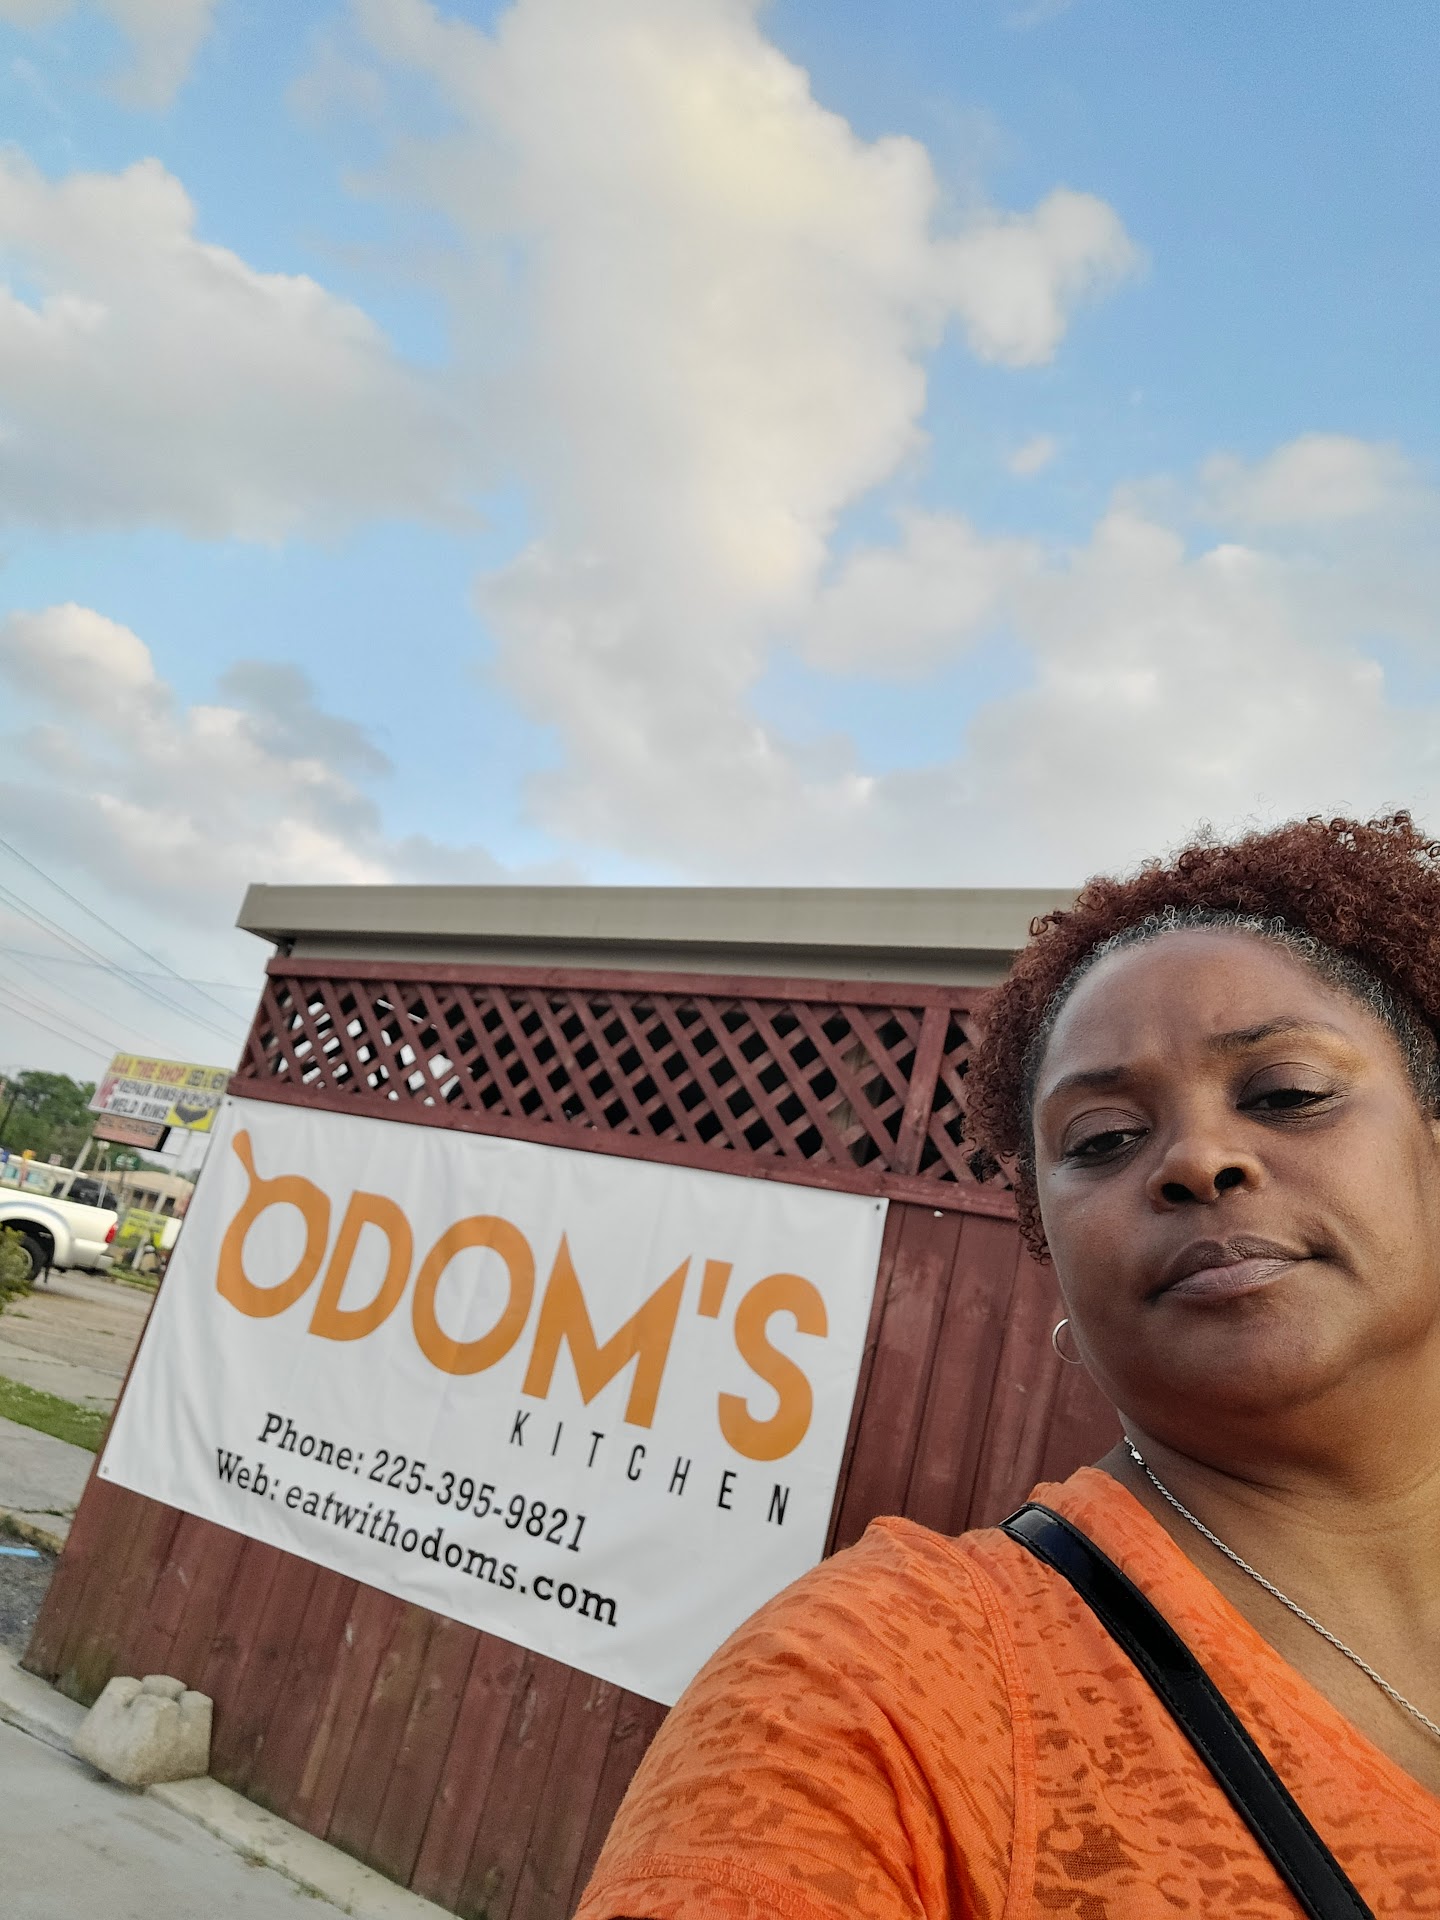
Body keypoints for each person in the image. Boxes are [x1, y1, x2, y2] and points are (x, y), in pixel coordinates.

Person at [576, 813, 1440, 1918]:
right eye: (1102, 1140)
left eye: (1286, 1093)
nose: (1197, 1159)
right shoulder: (880, 1684)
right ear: (1055, 1257)